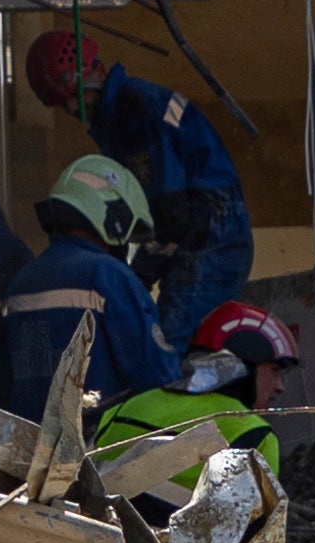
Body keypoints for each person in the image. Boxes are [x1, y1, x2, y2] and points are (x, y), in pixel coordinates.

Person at [20, 24, 258, 337]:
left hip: (211, 239)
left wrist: (133, 278)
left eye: (72, 97)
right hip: (204, 235)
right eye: (61, 104)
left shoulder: (138, 112)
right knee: (171, 340)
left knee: (174, 346)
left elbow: (170, 212)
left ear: (91, 71)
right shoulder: (124, 114)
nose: (72, 110)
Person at [0, 148, 184, 419]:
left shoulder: (21, 284)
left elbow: (1, 390)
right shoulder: (109, 277)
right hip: (103, 455)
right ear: (112, 215)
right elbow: (157, 378)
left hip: (29, 456)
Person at [99, 297, 298, 482]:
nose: (279, 386)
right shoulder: (256, 437)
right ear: (243, 366)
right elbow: (257, 518)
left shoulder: (126, 407)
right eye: (274, 370)